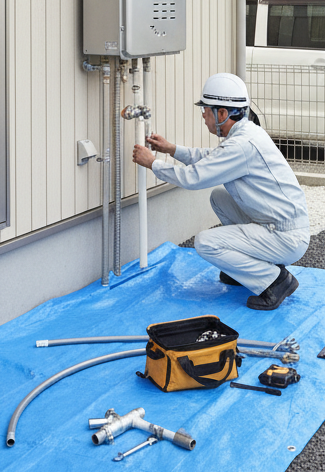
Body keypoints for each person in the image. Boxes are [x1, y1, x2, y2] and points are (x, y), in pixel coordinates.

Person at [132, 72, 309, 310]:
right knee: (219, 197)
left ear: (222, 114)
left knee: (205, 242)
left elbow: (193, 177)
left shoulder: (241, 145)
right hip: (278, 225)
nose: (203, 116)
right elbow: (211, 158)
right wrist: (171, 149)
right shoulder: (247, 134)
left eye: (206, 110)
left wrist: (153, 163)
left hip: (285, 237)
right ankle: (243, 268)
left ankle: (275, 281)